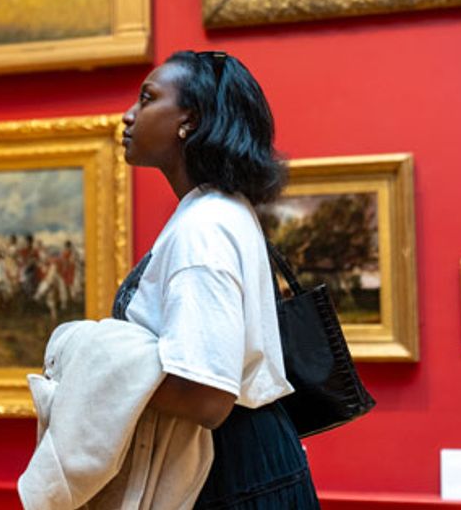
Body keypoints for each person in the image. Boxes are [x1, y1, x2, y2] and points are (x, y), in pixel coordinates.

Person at [116, 50, 320, 509]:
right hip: (249, 458)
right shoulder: (221, 210)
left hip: (229, 471)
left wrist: (95, 370)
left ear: (190, 120)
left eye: (147, 99)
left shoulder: (203, 227)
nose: (128, 116)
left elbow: (207, 398)